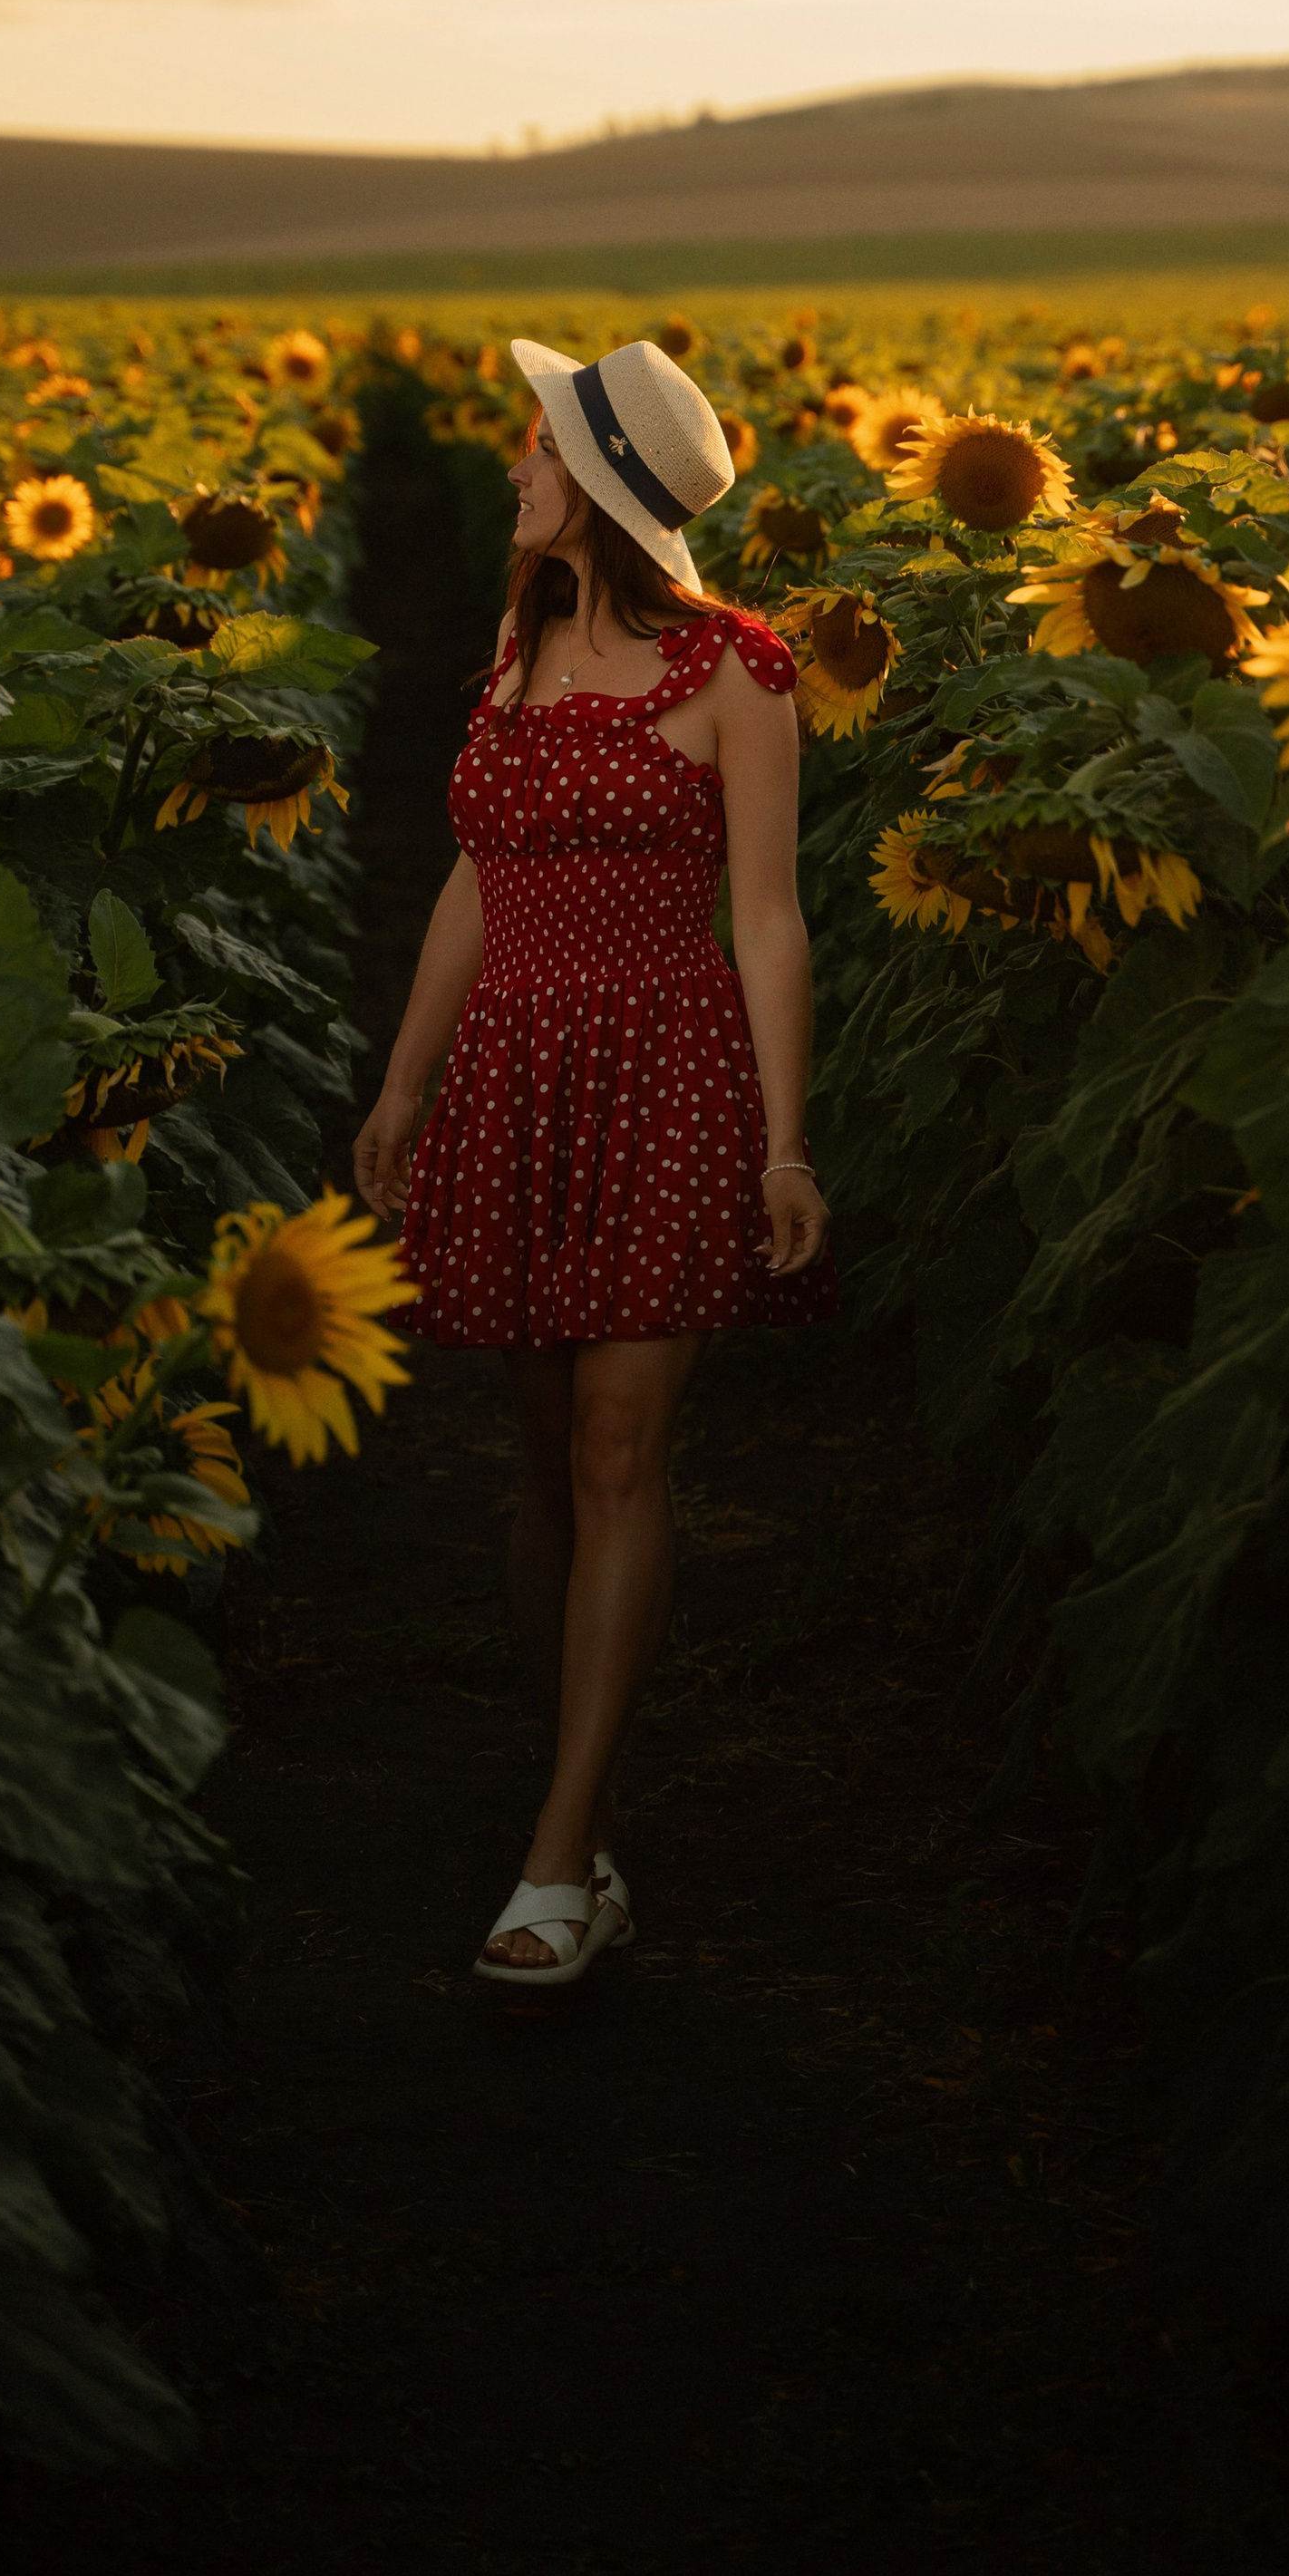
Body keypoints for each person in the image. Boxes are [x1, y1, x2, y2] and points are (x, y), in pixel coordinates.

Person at [354, 334, 835, 1987]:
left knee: (625, 1451)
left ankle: (559, 1853)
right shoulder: (519, 644)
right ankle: (586, 1801)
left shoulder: (736, 669)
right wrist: (408, 1083)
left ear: (604, 486)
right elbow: (475, 878)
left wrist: (787, 1140)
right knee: (545, 1454)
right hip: (516, 1074)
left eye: (538, 445)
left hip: (667, 1079)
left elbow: (768, 918)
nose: (514, 466)